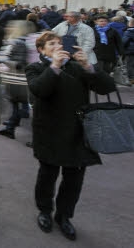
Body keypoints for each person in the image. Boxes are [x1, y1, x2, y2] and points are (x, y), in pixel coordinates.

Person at [26, 32, 116, 241]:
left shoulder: (77, 67)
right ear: (41, 50)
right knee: (47, 175)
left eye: (60, 43)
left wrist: (88, 66)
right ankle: (45, 211)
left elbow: (107, 87)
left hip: (77, 132)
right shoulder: (35, 68)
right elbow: (40, 90)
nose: (57, 46)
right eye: (51, 44)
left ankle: (64, 216)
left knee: (74, 179)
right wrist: (55, 67)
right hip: (50, 131)